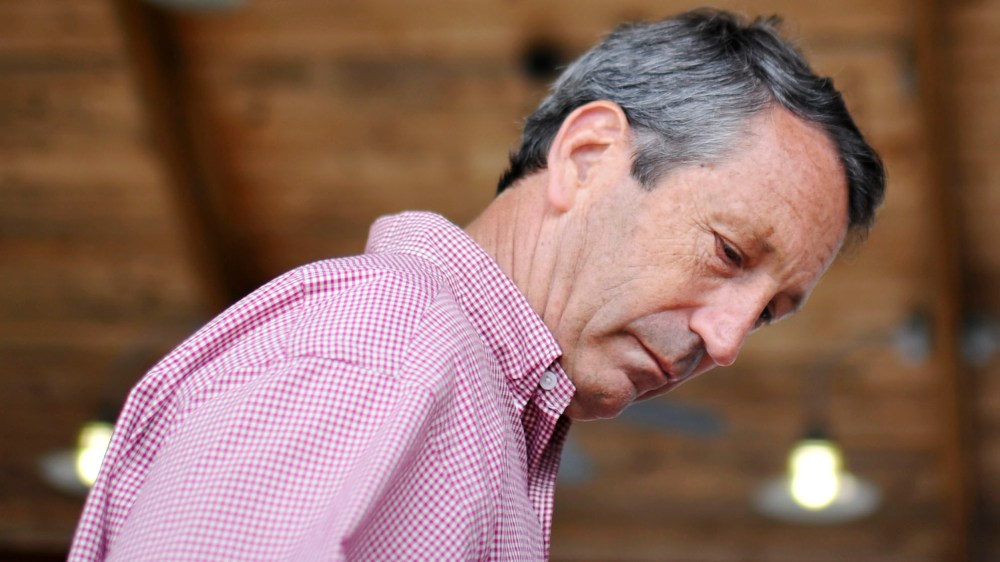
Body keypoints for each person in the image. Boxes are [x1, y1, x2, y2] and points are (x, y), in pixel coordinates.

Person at [68, 8, 884, 561]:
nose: (729, 339)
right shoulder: (385, 340)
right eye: (731, 254)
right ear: (589, 157)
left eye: (771, 314)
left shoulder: (459, 387)